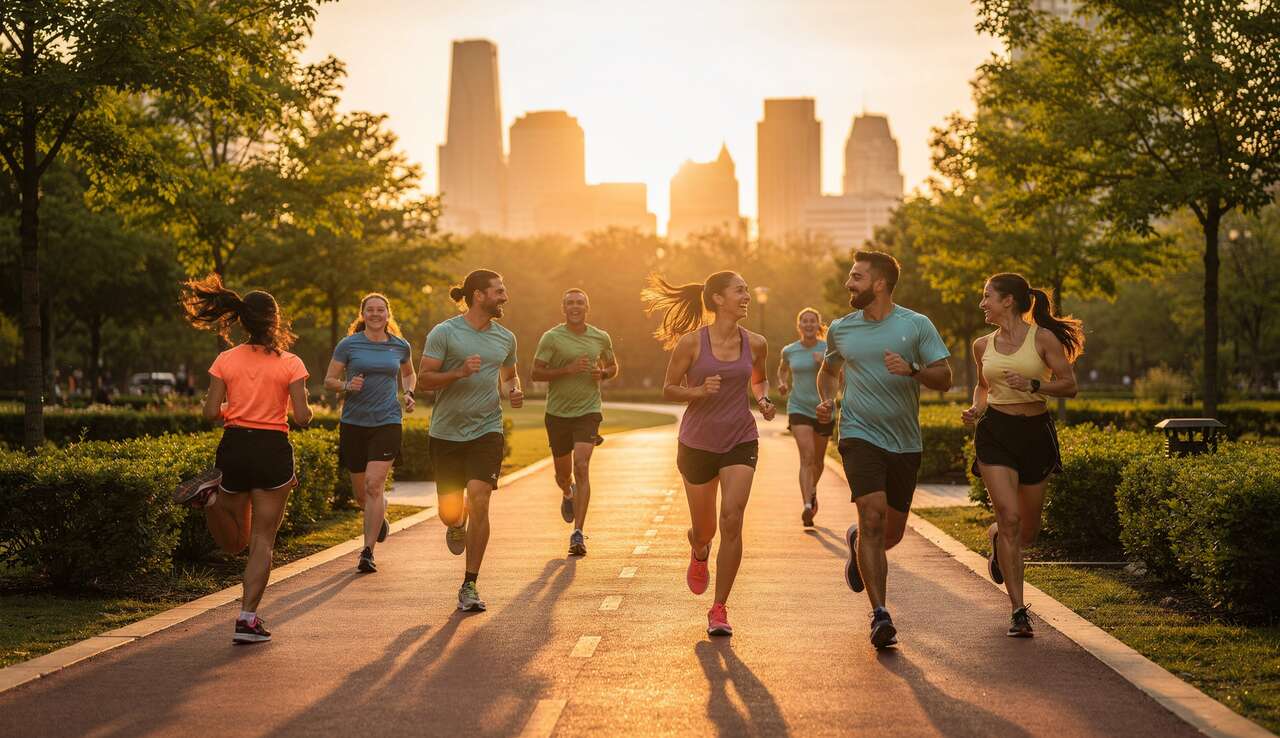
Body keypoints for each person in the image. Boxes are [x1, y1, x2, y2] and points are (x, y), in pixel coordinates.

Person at [816, 251, 952, 649]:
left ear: (879, 284)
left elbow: (944, 377)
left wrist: (912, 370)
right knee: (873, 516)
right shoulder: (841, 329)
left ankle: (858, 542)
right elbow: (829, 370)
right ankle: (880, 615)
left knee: (888, 534)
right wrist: (829, 399)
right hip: (858, 435)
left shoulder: (916, 325)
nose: (848, 284)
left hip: (904, 442)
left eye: (856, 277)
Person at [171, 274, 314, 644]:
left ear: (243, 320)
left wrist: (235, 407)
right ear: (275, 321)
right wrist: (304, 408)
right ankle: (247, 619)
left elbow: (207, 412)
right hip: (272, 449)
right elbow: (301, 417)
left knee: (233, 541)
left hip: (234, 445)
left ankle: (212, 500)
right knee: (261, 540)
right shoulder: (291, 363)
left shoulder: (225, 359)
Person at [641, 270, 775, 637]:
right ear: (717, 299)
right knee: (706, 528)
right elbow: (668, 389)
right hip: (697, 442)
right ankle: (699, 550)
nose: (746, 296)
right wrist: (698, 392)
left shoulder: (757, 343)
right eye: (739, 290)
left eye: (748, 290)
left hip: (740, 438)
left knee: (732, 518)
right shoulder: (691, 344)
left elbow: (759, 378)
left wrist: (763, 400)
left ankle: (719, 608)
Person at [962, 273, 1082, 637]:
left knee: (1026, 532)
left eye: (987, 297)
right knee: (1011, 517)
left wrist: (1035, 385)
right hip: (996, 433)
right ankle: (1018, 611)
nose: (982, 303)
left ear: (1008, 301)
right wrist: (975, 409)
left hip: (1035, 434)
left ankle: (999, 537)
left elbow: (1070, 385)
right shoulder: (982, 345)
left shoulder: (1042, 338)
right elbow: (983, 387)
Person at [416, 269, 522, 612]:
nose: (504, 297)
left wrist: (513, 391)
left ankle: (470, 583)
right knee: (450, 512)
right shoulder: (445, 332)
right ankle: (455, 523)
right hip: (446, 432)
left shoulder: (506, 338)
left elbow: (509, 376)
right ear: (479, 295)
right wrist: (458, 372)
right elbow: (424, 380)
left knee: (480, 499)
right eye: (499, 291)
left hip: (486, 430)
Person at [324, 293, 416, 574]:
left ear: (388, 315)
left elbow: (409, 374)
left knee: (374, 485)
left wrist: (409, 392)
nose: (376, 314)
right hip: (354, 423)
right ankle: (379, 516)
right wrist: (347, 386)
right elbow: (329, 381)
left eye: (381, 310)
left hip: (387, 421)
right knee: (362, 494)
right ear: (363, 314)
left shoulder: (400, 346)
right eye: (370, 310)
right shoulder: (349, 344)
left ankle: (367, 552)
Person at [531, 288, 620, 556]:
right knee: (563, 474)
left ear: (587, 307)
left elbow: (613, 367)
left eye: (579, 302)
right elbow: (536, 372)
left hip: (588, 411)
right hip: (557, 413)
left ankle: (578, 533)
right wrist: (566, 370)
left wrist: (603, 373)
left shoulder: (600, 337)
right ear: (563, 308)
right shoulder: (552, 337)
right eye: (570, 303)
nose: (575, 306)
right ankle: (568, 493)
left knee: (582, 466)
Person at [777, 307, 832, 528]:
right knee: (807, 457)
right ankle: (807, 505)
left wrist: (823, 365)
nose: (808, 324)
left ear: (818, 325)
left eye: (812, 321)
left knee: (818, 461)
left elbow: (841, 375)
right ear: (799, 326)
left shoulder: (828, 349)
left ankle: (812, 490)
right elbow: (782, 370)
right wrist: (782, 383)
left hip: (824, 408)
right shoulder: (789, 350)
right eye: (804, 321)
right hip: (798, 406)